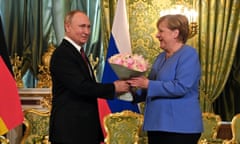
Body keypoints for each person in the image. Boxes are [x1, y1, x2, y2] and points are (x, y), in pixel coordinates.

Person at [49, 10, 130, 144]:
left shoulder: (77, 52)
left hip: (81, 130)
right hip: (70, 131)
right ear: (67, 27)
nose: (86, 31)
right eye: (82, 26)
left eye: (88, 27)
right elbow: (81, 86)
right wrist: (113, 87)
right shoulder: (63, 54)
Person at [128, 14, 203, 144]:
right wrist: (129, 90)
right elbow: (149, 87)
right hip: (157, 124)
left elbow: (181, 87)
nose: (157, 35)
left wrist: (147, 84)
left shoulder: (189, 54)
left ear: (175, 33)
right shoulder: (161, 57)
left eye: (161, 31)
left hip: (180, 127)